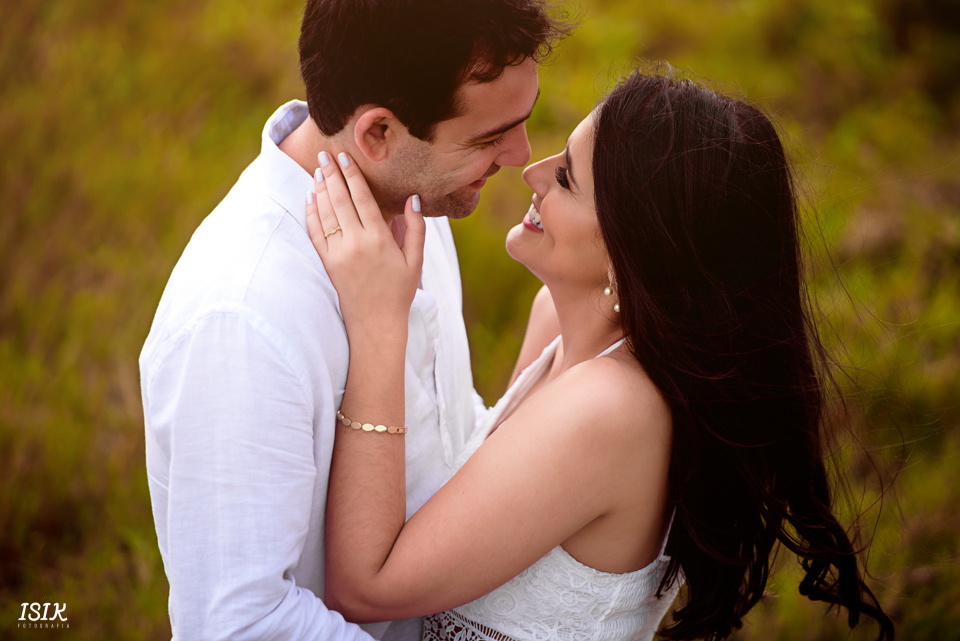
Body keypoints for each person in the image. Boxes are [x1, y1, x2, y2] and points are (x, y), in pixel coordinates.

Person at [304, 68, 896, 640]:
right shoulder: (557, 329)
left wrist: (379, 325)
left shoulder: (609, 409)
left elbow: (367, 587)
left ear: (630, 252)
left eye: (566, 180)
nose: (532, 172)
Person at [138, 1, 568, 639]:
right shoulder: (242, 320)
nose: (521, 155)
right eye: (487, 137)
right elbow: (240, 624)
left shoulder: (412, 199)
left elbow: (445, 445)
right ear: (378, 134)